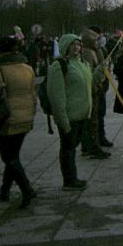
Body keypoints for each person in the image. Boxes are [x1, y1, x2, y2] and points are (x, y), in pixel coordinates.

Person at [0, 36, 38, 208]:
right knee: (13, 155)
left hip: (7, 117)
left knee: (8, 157)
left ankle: (27, 189)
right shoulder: (27, 67)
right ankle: (5, 190)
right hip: (26, 115)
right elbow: (33, 92)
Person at [48, 34, 97, 191]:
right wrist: (62, 120)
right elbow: (57, 96)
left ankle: (72, 178)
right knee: (68, 149)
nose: (77, 47)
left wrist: (101, 70)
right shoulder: (59, 66)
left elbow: (91, 82)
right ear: (65, 47)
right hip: (69, 116)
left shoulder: (83, 64)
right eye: (73, 44)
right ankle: (69, 180)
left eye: (78, 44)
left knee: (72, 147)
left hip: (83, 115)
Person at [79, 28, 111, 158]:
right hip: (91, 91)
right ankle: (92, 146)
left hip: (96, 89)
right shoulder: (87, 53)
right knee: (92, 121)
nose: (98, 42)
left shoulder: (94, 51)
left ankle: (93, 143)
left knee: (95, 119)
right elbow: (90, 75)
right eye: (96, 40)